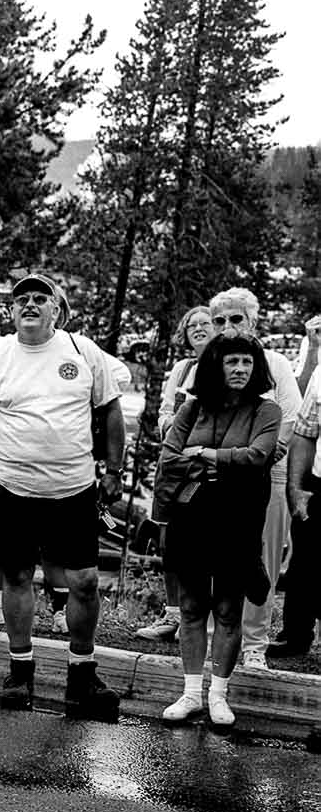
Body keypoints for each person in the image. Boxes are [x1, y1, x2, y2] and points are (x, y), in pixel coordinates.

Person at [0, 271, 126, 719]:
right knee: (15, 577)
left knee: (85, 582)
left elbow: (110, 411)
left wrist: (114, 470)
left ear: (56, 308)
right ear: (11, 311)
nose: (29, 305)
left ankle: (82, 672)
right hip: (12, 490)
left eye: (40, 298)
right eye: (21, 300)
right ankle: (20, 670)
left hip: (73, 491)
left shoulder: (81, 350)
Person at [153, 334, 281, 726]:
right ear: (216, 367)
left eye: (246, 362)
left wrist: (206, 455)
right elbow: (169, 460)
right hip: (191, 518)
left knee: (228, 610)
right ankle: (191, 694)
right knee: (191, 608)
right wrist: (225, 465)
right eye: (232, 362)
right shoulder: (192, 408)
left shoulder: (266, 411)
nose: (240, 369)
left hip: (238, 520)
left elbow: (258, 456)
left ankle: (218, 696)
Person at [205, 288, 301, 671]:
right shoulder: (209, 362)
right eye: (219, 321)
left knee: (260, 559)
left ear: (253, 321)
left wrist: (271, 452)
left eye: (236, 319)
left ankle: (255, 645)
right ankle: (218, 637)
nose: (227, 328)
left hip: (267, 474)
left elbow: (292, 415)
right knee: (217, 554)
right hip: (217, 474)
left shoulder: (274, 362)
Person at [136, 305, 215, 642]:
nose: (198, 329)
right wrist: (177, 427)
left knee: (205, 542)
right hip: (173, 464)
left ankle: (200, 618)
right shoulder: (182, 369)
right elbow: (164, 415)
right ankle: (171, 615)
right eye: (192, 325)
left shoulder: (226, 366)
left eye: (205, 323)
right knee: (169, 541)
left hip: (205, 466)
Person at [271, 371, 318, 660]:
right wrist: (296, 487)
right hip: (319, 484)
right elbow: (305, 432)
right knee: (307, 562)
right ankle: (295, 637)